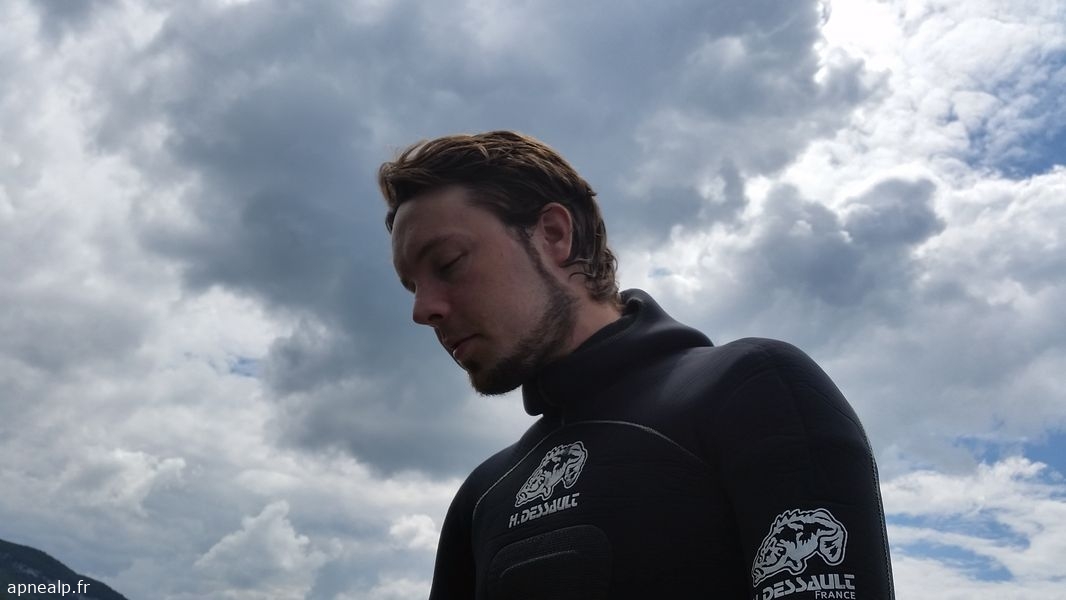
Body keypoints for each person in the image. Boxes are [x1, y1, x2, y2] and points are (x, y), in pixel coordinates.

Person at [378, 131, 895, 599]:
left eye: (447, 263)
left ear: (553, 234)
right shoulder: (481, 496)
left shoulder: (752, 390)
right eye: (412, 287)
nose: (422, 310)